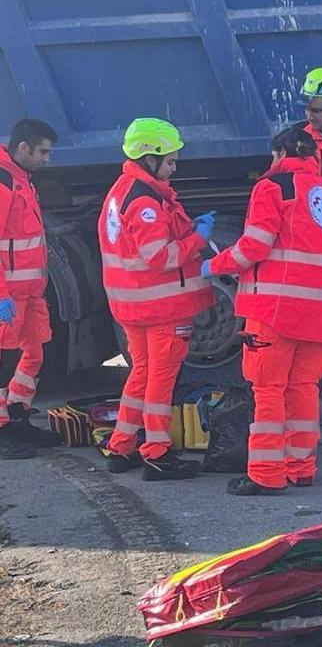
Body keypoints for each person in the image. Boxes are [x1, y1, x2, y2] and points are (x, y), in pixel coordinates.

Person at [202, 127, 322, 495]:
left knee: (268, 389)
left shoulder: (272, 188)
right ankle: (301, 467)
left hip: (276, 310)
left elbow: (255, 245)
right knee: (303, 389)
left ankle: (266, 473)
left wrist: (216, 264)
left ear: (280, 153)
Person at [98, 118, 215, 481]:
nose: (175, 167)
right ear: (150, 157)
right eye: (171, 161)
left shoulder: (123, 190)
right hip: (162, 307)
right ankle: (157, 453)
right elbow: (161, 257)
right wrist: (197, 238)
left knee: (143, 374)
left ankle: (121, 445)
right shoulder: (145, 201)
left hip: (135, 305)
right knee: (160, 379)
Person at [0, 119, 60, 460]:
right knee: (4, 362)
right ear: (23, 148)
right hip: (10, 294)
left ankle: (17, 415)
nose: (47, 159)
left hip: (30, 292)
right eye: (43, 152)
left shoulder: (21, 179)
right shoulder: (5, 180)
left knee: (34, 353)